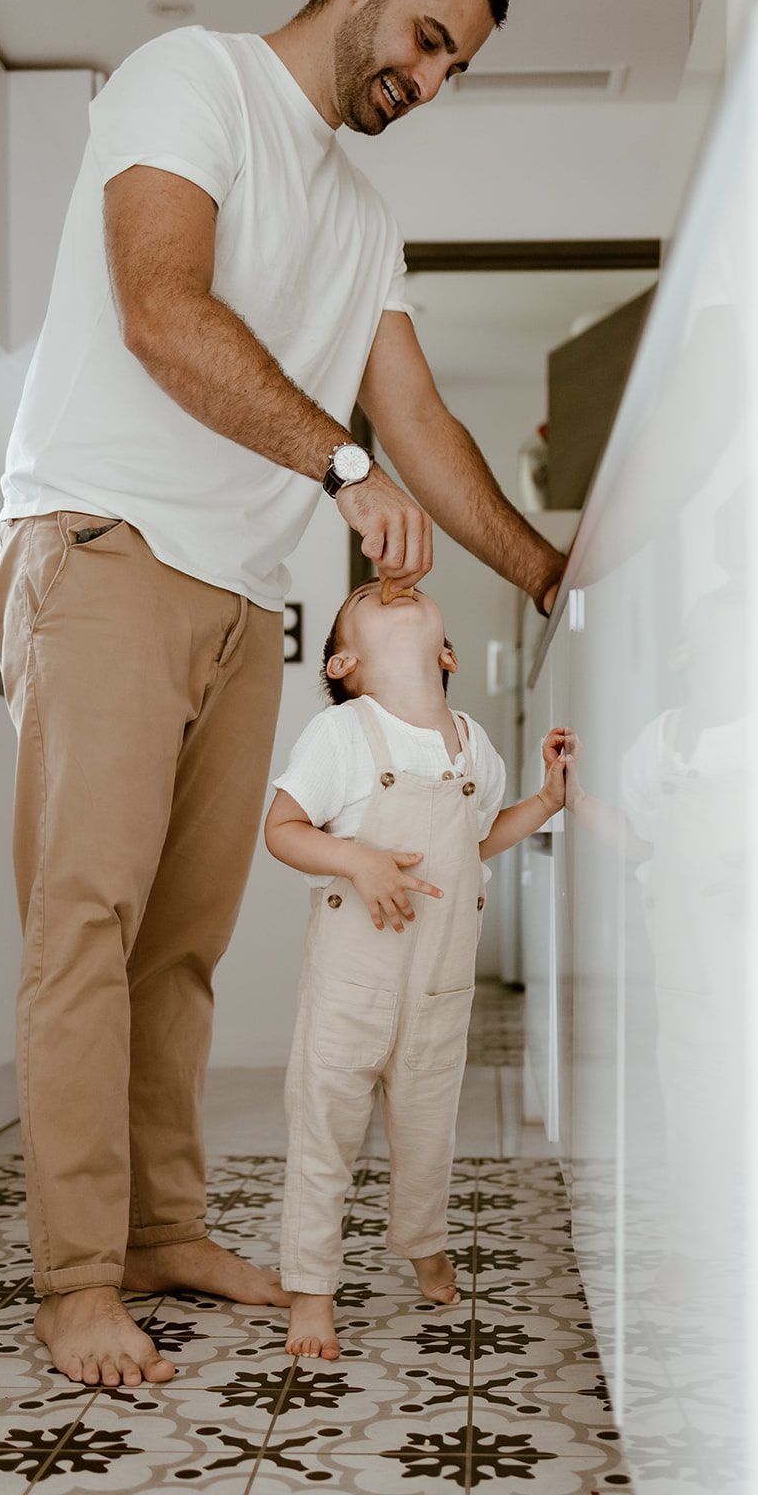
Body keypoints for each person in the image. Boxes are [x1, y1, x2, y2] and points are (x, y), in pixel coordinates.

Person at [0, 0, 567, 1389]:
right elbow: (159, 307)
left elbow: (420, 426)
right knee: (86, 926)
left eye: (455, 72)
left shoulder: (363, 217)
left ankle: (165, 1227)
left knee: (179, 947)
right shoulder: (191, 81)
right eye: (428, 40)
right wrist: (339, 466)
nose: (428, 83)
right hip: (106, 544)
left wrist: (552, 572)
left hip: (244, 599)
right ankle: (73, 1282)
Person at [264, 581, 570, 1358]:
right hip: (351, 985)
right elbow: (283, 829)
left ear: (446, 654)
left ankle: (422, 1242)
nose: (394, 587)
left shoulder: (472, 743)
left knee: (428, 1130)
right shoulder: (341, 732)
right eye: (368, 594)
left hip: (440, 982)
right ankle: (309, 1287)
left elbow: (478, 838)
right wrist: (354, 859)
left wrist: (543, 803)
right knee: (324, 1130)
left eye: (410, 595)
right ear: (346, 661)